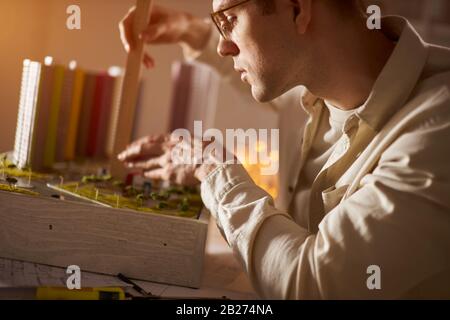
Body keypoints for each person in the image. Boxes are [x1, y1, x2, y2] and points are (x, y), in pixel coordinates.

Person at [118, 0, 450, 299]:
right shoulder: (319, 90)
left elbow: (312, 287)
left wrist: (212, 168)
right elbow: (267, 62)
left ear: (297, 8)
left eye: (229, 20)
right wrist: (188, 30)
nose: (222, 46)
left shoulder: (436, 132)